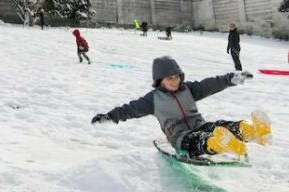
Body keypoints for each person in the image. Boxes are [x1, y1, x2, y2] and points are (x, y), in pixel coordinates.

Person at [91, 56, 269, 158]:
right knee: (200, 139)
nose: (174, 81)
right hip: (180, 138)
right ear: (159, 80)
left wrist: (231, 78)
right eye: (169, 78)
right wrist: (108, 116)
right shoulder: (153, 99)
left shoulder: (189, 89)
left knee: (220, 125)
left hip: (200, 124)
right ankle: (221, 143)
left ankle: (253, 132)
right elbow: (129, 109)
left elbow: (210, 84)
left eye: (176, 77)